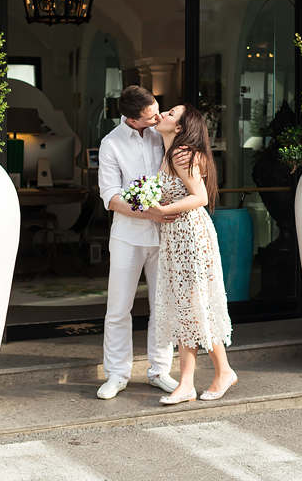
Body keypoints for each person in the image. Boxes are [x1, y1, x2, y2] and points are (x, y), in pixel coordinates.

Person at [95, 86, 179, 399]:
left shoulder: (163, 134)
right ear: (132, 120)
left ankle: (160, 371)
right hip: (127, 237)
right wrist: (149, 215)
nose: (158, 117)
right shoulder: (111, 144)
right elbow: (111, 197)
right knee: (118, 308)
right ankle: (117, 374)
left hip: (164, 236)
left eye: (158, 110)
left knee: (163, 307)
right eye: (150, 116)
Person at [151, 104, 237, 404]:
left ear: (179, 127)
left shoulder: (181, 153)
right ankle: (195, 379)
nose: (164, 114)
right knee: (188, 307)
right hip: (178, 237)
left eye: (171, 114)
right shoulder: (172, 152)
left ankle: (211, 375)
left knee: (193, 305)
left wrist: (161, 209)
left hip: (190, 236)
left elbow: (199, 198)